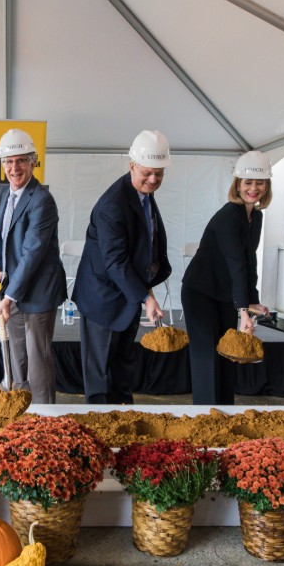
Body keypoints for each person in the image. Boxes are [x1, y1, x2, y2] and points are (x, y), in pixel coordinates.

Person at [73, 130, 172, 404]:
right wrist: (145, 297)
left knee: (122, 366)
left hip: (127, 294)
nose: (153, 180)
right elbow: (115, 261)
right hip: (102, 298)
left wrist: (145, 288)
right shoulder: (112, 205)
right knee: (99, 374)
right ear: (132, 166)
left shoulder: (142, 195)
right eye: (148, 173)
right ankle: (98, 424)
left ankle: (123, 417)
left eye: (159, 174)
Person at [182, 150, 273, 405]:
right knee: (207, 358)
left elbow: (249, 260)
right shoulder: (228, 216)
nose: (253, 188)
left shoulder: (256, 216)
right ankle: (205, 416)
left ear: (267, 186)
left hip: (224, 292)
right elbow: (236, 264)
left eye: (259, 182)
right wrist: (243, 311)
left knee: (226, 352)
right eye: (248, 182)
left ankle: (223, 414)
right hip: (200, 292)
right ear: (238, 184)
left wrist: (251, 300)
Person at [0, 129, 66, 404]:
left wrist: (8, 297)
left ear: (33, 162)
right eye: (8, 161)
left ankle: (44, 418)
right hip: (15, 288)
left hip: (39, 292)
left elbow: (32, 253)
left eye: (21, 161)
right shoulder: (4, 194)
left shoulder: (41, 200)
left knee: (37, 360)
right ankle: (20, 411)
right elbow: (2, 236)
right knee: (16, 354)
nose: (14, 168)